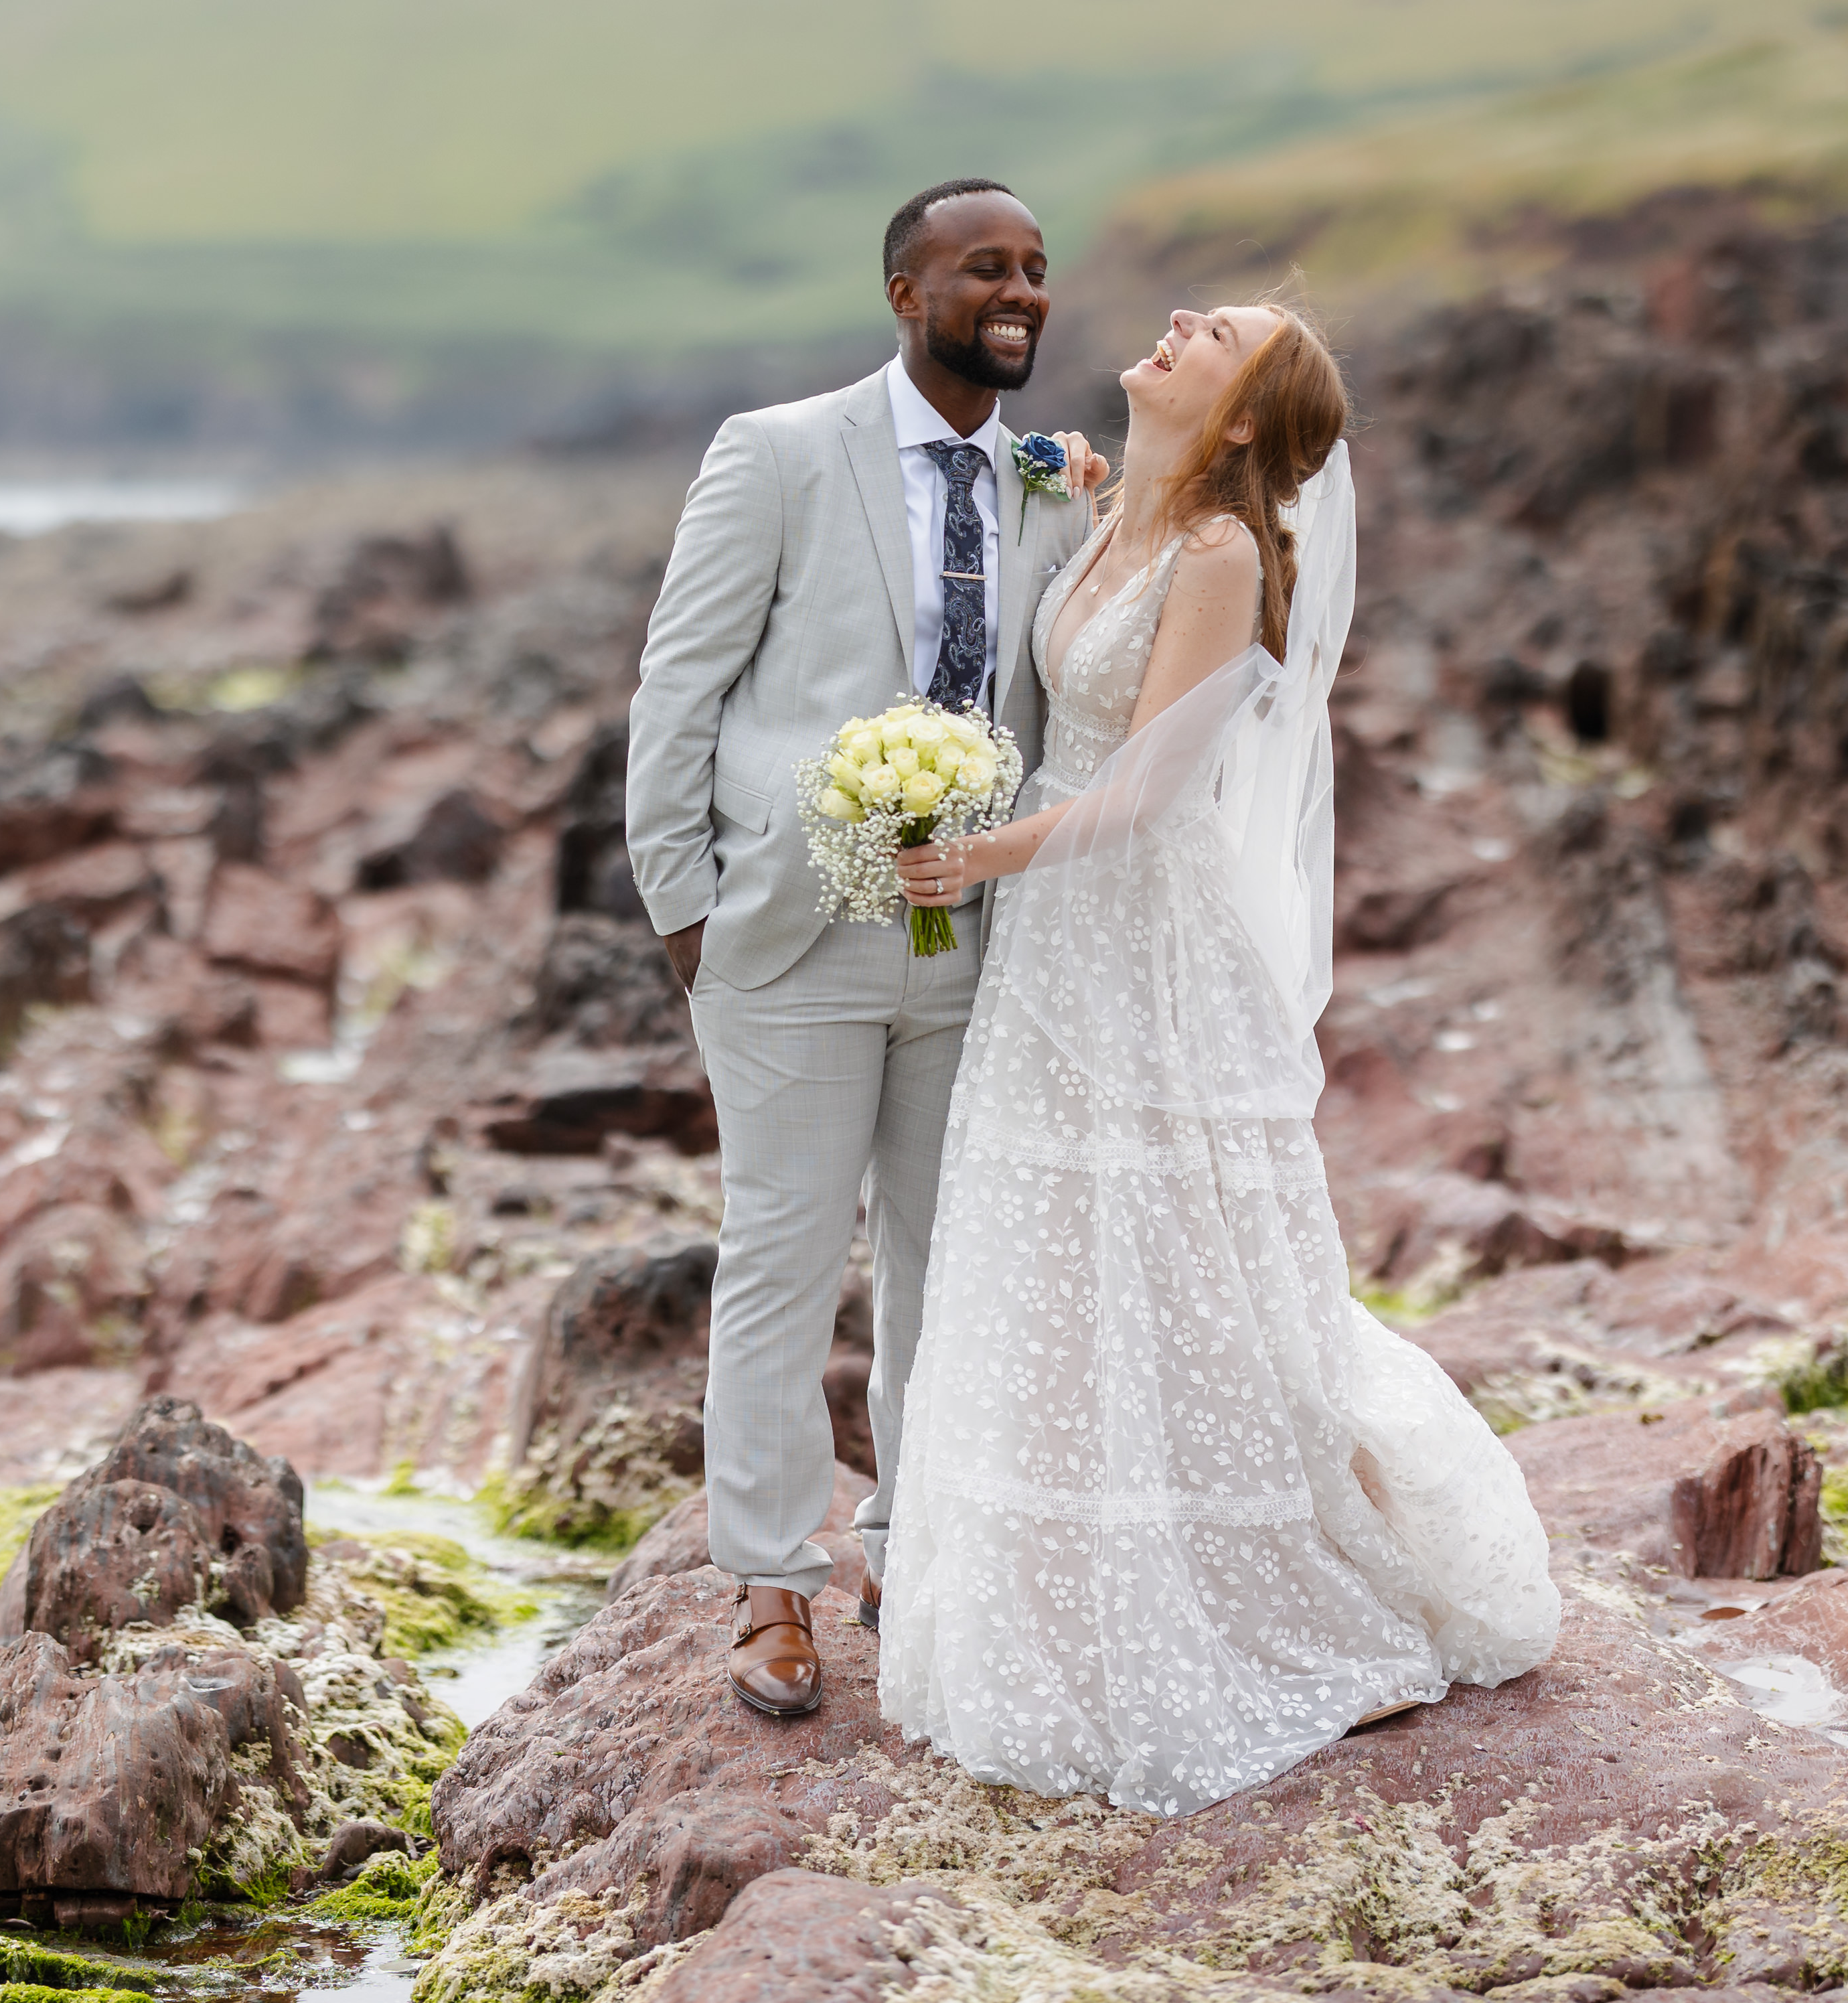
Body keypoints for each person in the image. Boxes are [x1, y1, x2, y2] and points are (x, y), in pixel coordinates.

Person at [874, 298, 1561, 1811]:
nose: (1178, 320)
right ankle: (1053, 1591)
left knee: (1169, 1240)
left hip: (1140, 931)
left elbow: (1145, 791)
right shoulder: (1120, 508)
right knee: (1054, 1237)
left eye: (1220, 332)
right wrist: (1059, 481)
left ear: (1246, 418)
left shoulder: (1218, 557)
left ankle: (1259, 1581)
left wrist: (973, 857)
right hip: (1058, 931)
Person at [623, 179, 1101, 1718]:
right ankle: (770, 1585)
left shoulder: (1047, 478)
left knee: (938, 1261)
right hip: (782, 935)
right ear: (906, 293)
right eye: (984, 269)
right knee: (778, 1255)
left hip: (973, 943)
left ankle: (909, 1539)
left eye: (1034, 269)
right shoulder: (774, 453)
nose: (1017, 291)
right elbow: (677, 687)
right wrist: (684, 908)